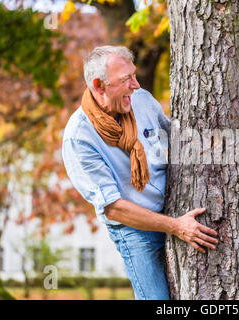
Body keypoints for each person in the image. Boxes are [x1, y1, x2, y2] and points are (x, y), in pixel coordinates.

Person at [62, 46, 218, 300]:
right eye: (126, 79)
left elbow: (176, 141)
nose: (135, 85)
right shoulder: (79, 138)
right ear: (99, 86)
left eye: (134, 75)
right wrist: (176, 226)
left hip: (173, 210)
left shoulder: (142, 100)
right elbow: (112, 207)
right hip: (135, 232)